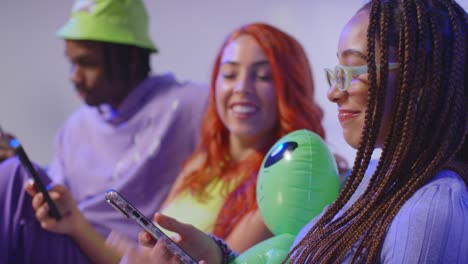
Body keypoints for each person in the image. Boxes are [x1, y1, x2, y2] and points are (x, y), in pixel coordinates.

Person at [108, 0, 467, 263]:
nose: (334, 91)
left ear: (421, 80)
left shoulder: (432, 209)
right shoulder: (368, 181)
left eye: (353, 71)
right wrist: (218, 256)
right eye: (336, 72)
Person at [0, 0, 207, 263]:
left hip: (120, 254)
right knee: (15, 174)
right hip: (71, 238)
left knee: (12, 176)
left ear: (130, 58)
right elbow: (57, 207)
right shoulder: (74, 127)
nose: (74, 77)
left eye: (87, 64)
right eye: (72, 64)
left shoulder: (189, 105)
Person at [136, 22, 339, 253]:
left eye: (263, 76)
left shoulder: (284, 177)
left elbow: (230, 258)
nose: (242, 87)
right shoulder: (201, 164)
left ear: (291, 90)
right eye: (229, 74)